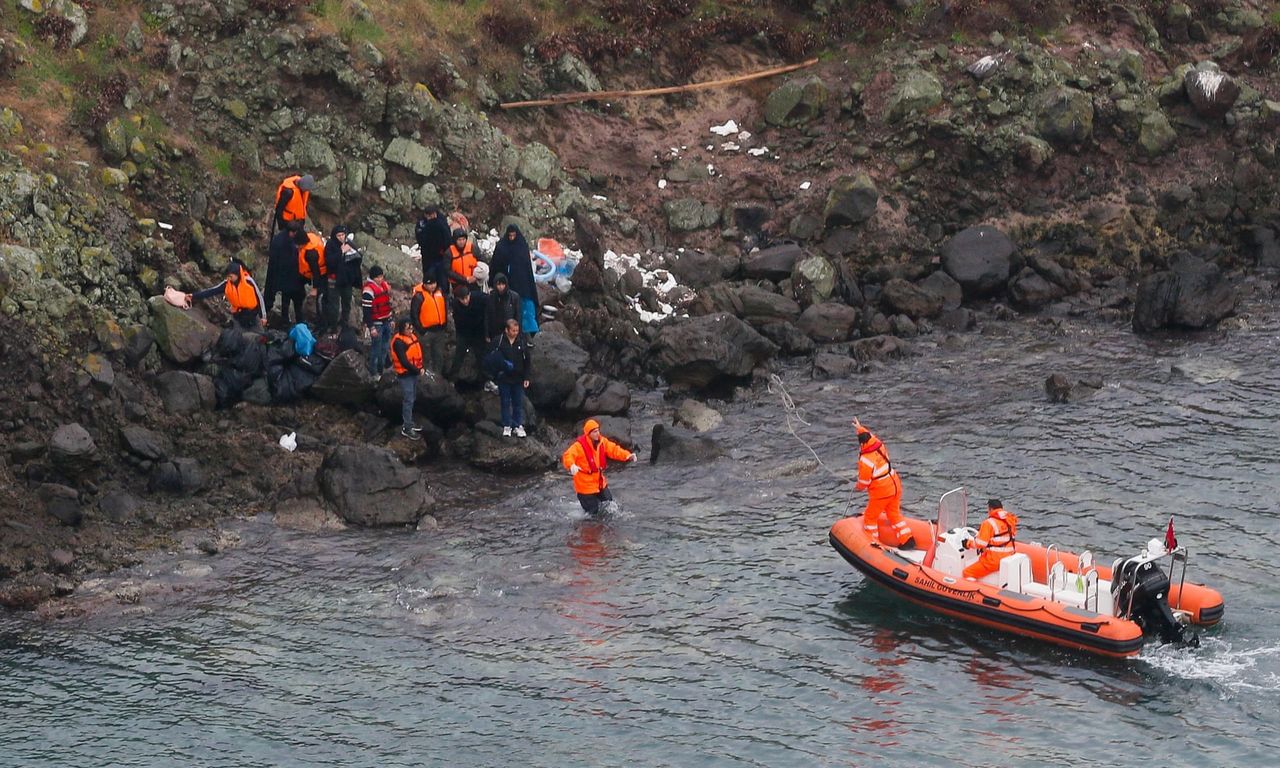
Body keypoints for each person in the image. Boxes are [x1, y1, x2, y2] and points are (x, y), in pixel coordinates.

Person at [854, 418, 915, 550]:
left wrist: (858, 487)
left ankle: (873, 544)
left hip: (882, 491)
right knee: (894, 513)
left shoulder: (866, 459)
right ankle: (907, 539)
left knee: (870, 517)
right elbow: (870, 436)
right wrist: (860, 428)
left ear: (861, 444)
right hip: (895, 485)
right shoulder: (879, 445)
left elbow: (864, 481)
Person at [561, 418, 636, 515]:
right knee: (593, 514)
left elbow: (614, 450)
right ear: (589, 433)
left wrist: (627, 455)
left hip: (600, 483)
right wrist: (571, 465)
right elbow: (568, 455)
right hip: (585, 488)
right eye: (595, 432)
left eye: (598, 431)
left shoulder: (602, 442)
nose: (598, 434)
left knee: (610, 505)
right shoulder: (578, 446)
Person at [489, 223, 540, 336]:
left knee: (524, 309)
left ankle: (524, 334)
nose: (512, 238)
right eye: (510, 236)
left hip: (522, 284)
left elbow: (526, 267)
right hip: (506, 283)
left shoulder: (522, 245)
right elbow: (495, 265)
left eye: (513, 235)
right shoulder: (502, 246)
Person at [189, 260, 266, 329]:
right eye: (228, 276)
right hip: (239, 316)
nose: (229, 278)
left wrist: (263, 317)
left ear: (237, 274)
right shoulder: (226, 284)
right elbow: (211, 291)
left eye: (231, 276)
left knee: (260, 337)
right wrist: (193, 296)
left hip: (253, 315)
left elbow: (259, 297)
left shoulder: (249, 281)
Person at [493, 318, 531, 437]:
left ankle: (518, 425)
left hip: (518, 379)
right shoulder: (499, 342)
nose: (515, 332)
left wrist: (526, 377)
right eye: (513, 330)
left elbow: (527, 361)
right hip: (504, 378)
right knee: (505, 402)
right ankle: (507, 425)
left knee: (518, 402)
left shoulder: (521, 342)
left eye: (517, 330)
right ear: (506, 330)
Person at [964, 500, 1020, 580]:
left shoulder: (988, 523)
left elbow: (981, 544)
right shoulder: (1009, 520)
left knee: (967, 572)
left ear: (990, 509)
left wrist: (968, 543)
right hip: (1009, 555)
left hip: (994, 560)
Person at [390, 318, 425, 440]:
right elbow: (404, 362)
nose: (411, 330)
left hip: (413, 373)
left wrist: (420, 367)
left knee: (413, 397)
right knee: (408, 399)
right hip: (405, 375)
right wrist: (418, 370)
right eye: (408, 328)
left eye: (411, 327)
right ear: (401, 329)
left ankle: (409, 421)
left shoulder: (411, 337)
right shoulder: (399, 342)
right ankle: (407, 427)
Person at [295, 227, 332, 334]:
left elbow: (316, 272)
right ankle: (320, 324)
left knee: (320, 302)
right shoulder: (311, 238)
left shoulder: (310, 254)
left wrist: (315, 288)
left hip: (321, 276)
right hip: (313, 274)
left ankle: (322, 326)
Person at [265, 224, 304, 324]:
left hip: (284, 277)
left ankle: (285, 322)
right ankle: (297, 322)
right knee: (295, 303)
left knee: (285, 302)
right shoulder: (285, 242)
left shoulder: (279, 239)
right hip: (291, 277)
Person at [410, 275, 448, 375]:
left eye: (434, 283)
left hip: (439, 330)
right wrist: (421, 330)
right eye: (429, 284)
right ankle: (426, 375)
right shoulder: (419, 297)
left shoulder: (440, 293)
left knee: (439, 355)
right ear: (424, 284)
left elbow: (445, 309)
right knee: (425, 355)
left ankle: (437, 375)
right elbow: (414, 315)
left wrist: (445, 324)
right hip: (426, 332)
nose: (432, 286)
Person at [449, 283, 488, 381]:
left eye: (467, 298)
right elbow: (457, 322)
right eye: (462, 299)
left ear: (470, 294)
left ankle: (485, 380)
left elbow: (491, 304)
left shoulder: (479, 298)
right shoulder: (455, 305)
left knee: (481, 355)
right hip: (464, 332)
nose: (465, 301)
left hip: (479, 331)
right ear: (458, 299)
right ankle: (452, 378)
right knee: (459, 354)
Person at [326, 225, 362, 328]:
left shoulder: (349, 243)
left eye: (343, 235)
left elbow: (358, 257)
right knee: (334, 305)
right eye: (339, 235)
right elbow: (329, 262)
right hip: (334, 279)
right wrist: (341, 252)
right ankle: (332, 326)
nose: (341, 237)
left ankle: (344, 324)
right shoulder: (330, 245)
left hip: (347, 280)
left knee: (347, 303)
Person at [362, 265, 393, 375]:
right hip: (377, 323)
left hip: (386, 321)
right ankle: (373, 372)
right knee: (376, 349)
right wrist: (371, 327)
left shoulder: (384, 286)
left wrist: (391, 319)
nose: (380, 279)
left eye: (381, 277)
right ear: (373, 277)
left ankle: (381, 370)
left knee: (385, 348)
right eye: (378, 277)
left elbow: (388, 304)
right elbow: (366, 311)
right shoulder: (368, 291)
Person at [415, 205, 451, 288]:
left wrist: (445, 250)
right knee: (429, 277)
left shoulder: (441, 221)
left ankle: (443, 295)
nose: (433, 216)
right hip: (428, 256)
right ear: (426, 215)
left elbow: (447, 237)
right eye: (430, 215)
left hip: (441, 256)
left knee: (443, 279)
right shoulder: (422, 223)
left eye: (434, 214)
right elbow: (420, 238)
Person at [484, 273, 521, 344]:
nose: (501, 287)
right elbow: (487, 316)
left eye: (503, 284)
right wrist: (487, 333)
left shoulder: (514, 297)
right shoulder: (490, 297)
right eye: (498, 284)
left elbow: (518, 315)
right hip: (494, 331)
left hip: (509, 330)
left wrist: (518, 334)